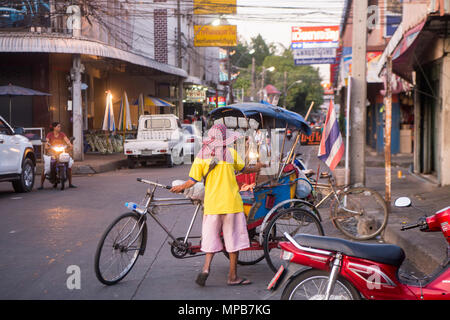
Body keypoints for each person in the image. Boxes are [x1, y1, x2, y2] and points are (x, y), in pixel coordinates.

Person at [171, 124, 265, 287]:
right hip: (231, 204)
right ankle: (232, 277)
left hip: (212, 205)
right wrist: (258, 166)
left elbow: (192, 181)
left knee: (210, 239)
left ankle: (206, 269)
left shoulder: (201, 157)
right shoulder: (231, 153)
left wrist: (180, 187)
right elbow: (245, 169)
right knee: (233, 240)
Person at [38, 122, 77, 189]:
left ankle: (70, 183)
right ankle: (41, 185)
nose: (60, 128)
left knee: (69, 165)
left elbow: (67, 141)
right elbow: (46, 143)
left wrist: (70, 145)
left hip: (61, 152)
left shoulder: (62, 134)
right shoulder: (49, 135)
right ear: (54, 128)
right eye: (58, 126)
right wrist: (46, 146)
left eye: (60, 126)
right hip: (52, 152)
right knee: (46, 167)